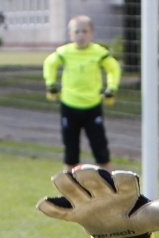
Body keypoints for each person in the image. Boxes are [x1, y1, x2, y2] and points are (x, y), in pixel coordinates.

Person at [42, 17, 122, 172]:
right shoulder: (64, 52)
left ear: (91, 33)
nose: (81, 35)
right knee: (71, 150)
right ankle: (68, 189)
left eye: (84, 31)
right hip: (69, 105)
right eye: (77, 31)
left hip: (92, 106)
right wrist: (50, 84)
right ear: (70, 34)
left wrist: (112, 88)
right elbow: (49, 64)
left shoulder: (99, 52)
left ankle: (111, 188)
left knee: (100, 148)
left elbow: (114, 68)